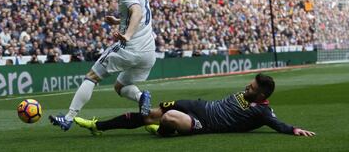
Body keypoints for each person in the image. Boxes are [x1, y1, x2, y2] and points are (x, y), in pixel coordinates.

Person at [50, 0, 156, 131]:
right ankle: (141, 96)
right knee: (120, 87)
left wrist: (127, 35)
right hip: (148, 52)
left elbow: (136, 12)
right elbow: (138, 13)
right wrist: (117, 21)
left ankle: (68, 117)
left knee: (91, 77)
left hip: (129, 49)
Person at [74, 73, 315, 137]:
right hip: (200, 106)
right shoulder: (251, 94)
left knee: (167, 119)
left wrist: (294, 129)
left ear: (261, 94)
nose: (246, 88)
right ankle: (99, 126)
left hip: (204, 123)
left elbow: (276, 123)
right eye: (248, 85)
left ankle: (162, 132)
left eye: (251, 89)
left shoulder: (262, 111)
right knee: (152, 114)